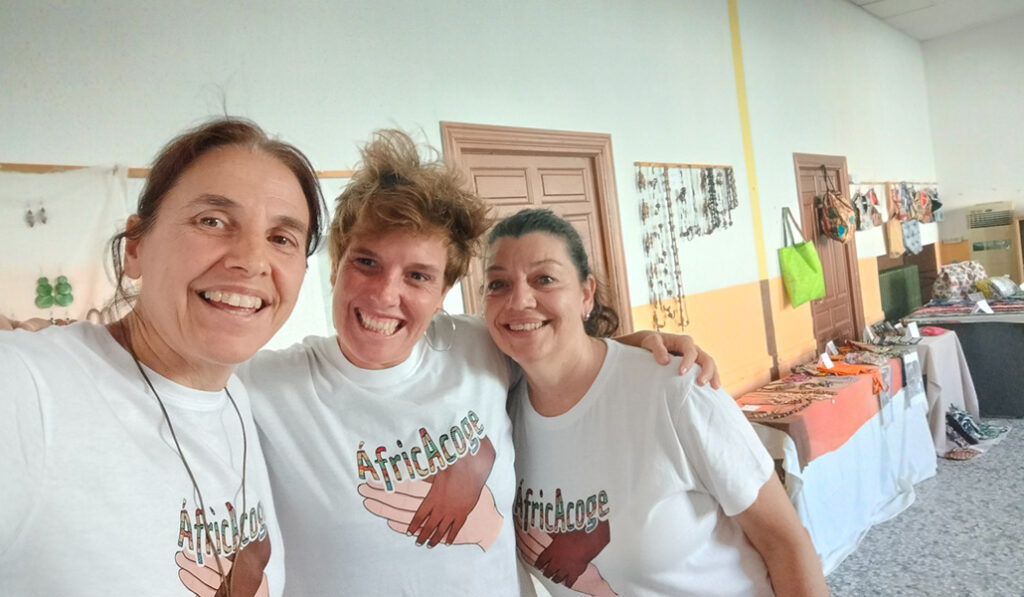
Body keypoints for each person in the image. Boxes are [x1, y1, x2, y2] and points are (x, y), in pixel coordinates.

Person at [237, 129, 718, 595]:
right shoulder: (262, 386)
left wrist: (639, 345)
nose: (386, 295)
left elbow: (566, 358)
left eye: (418, 275)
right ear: (336, 264)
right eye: (366, 262)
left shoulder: (479, 345)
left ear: (443, 293)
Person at [0, 118, 326, 597]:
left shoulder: (234, 395)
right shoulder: (27, 388)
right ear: (135, 247)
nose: (252, 260)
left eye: (282, 238)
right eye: (212, 221)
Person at [482, 209, 829, 597]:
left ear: (586, 294)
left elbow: (785, 543)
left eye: (544, 279)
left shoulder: (676, 390)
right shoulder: (500, 412)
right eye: (498, 284)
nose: (519, 300)